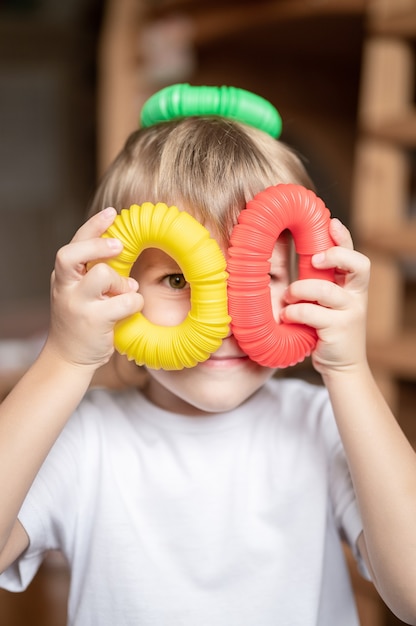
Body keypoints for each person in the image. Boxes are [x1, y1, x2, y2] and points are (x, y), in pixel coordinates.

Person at [1, 84, 416, 626]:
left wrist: (349, 370)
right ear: (114, 287)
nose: (220, 319)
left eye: (261, 275)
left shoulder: (323, 425)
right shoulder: (83, 440)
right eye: (177, 277)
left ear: (309, 281)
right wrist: (64, 360)